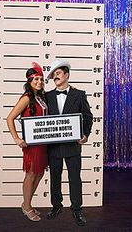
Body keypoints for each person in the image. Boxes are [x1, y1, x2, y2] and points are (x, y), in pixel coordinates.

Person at [45, 60, 93, 226]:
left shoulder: (79, 94)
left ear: (66, 75)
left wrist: (85, 135)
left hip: (73, 145)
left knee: (74, 178)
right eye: (53, 75)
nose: (54, 77)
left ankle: (77, 210)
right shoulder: (47, 96)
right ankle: (56, 206)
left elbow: (87, 117)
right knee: (54, 178)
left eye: (57, 73)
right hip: (53, 146)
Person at [6, 62, 48, 222]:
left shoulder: (40, 96)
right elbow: (9, 118)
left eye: (41, 79)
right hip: (32, 144)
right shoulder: (25, 98)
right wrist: (16, 138)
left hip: (43, 142)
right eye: (36, 79)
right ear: (29, 82)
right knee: (31, 174)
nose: (39, 82)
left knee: (40, 172)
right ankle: (27, 206)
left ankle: (27, 203)